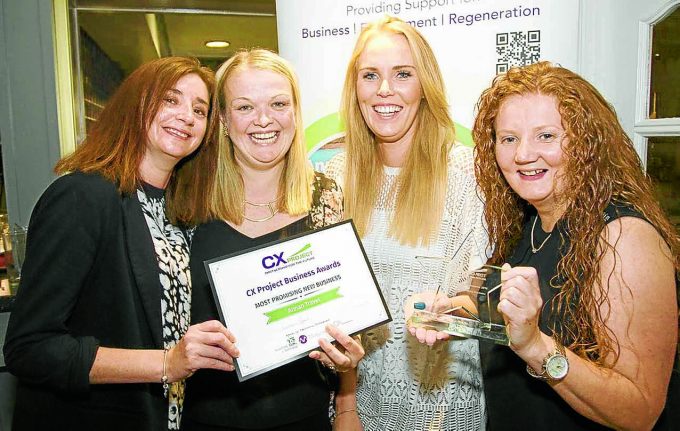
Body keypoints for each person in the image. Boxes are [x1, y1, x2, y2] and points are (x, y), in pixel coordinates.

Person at [3, 57, 239, 431]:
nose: (186, 116)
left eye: (199, 109)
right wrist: (166, 364)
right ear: (136, 104)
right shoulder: (83, 195)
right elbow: (30, 348)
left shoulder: (181, 214)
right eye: (170, 99)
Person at [471, 61, 679, 429]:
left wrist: (535, 347)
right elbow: (520, 314)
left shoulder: (623, 236)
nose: (523, 154)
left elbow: (640, 411)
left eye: (546, 136)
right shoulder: (531, 220)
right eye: (509, 138)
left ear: (586, 143)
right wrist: (449, 311)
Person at [183, 49, 365, 431]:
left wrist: (347, 403)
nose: (264, 120)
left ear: (295, 113)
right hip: (206, 421)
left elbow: (344, 317)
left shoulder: (324, 196)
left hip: (306, 418)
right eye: (245, 107)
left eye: (279, 103)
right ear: (223, 120)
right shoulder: (187, 202)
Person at [325, 16, 488, 431]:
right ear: (355, 89)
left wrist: (448, 311)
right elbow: (333, 311)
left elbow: (478, 296)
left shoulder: (468, 173)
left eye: (402, 74)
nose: (384, 90)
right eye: (370, 76)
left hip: (443, 410)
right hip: (360, 404)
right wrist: (346, 406)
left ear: (424, 86)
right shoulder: (336, 176)